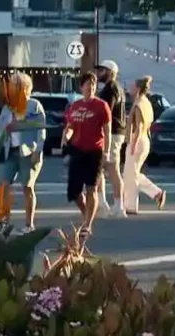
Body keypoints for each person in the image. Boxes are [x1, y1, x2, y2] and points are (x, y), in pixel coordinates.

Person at [62, 70, 111, 238]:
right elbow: (70, 127)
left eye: (93, 85)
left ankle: (88, 224)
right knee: (74, 192)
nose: (90, 87)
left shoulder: (101, 106)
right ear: (81, 87)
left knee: (91, 188)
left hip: (95, 151)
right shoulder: (75, 106)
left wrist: (107, 152)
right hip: (77, 150)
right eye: (87, 84)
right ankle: (86, 214)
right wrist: (66, 138)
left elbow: (107, 130)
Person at [0, 72, 46, 233]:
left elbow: (41, 130)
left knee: (27, 187)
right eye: (12, 86)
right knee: (3, 185)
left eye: (16, 86)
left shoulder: (34, 105)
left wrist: (38, 151)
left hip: (28, 152)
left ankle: (28, 224)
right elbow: (1, 132)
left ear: (25, 88)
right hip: (9, 152)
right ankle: (4, 222)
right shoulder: (7, 108)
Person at [123, 76, 166, 214]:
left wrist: (133, 144)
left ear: (138, 88)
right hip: (145, 140)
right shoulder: (146, 102)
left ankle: (130, 206)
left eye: (132, 86)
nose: (130, 88)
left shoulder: (139, 104)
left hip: (138, 140)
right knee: (132, 173)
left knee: (130, 175)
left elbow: (140, 125)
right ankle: (156, 193)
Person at [97, 59, 126, 216]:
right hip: (115, 132)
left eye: (102, 70)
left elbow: (106, 112)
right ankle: (102, 203)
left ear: (110, 72)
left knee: (112, 168)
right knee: (100, 167)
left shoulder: (110, 89)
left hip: (112, 132)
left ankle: (118, 205)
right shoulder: (117, 88)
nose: (99, 73)